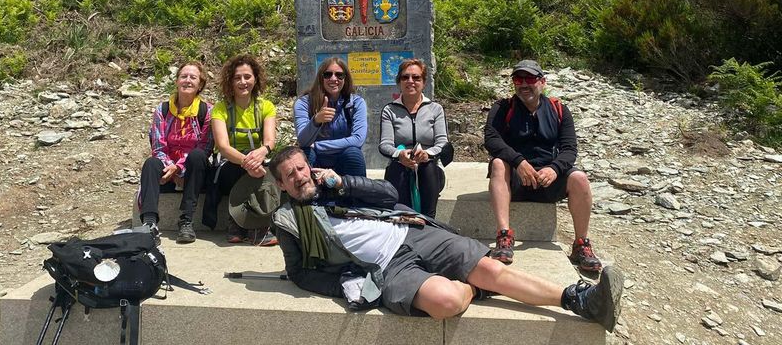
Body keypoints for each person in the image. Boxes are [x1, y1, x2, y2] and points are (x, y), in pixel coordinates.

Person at [267, 146, 623, 331]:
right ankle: (474, 286)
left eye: (301, 168)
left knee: (494, 269)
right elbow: (299, 273)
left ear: (308, 167)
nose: (298, 177)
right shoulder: (287, 220)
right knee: (447, 301)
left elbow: (389, 195)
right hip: (384, 269)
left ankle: (580, 299)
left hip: (411, 231)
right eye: (289, 175)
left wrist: (345, 183)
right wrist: (347, 283)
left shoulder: (338, 186)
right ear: (281, 184)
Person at [483, 59, 601, 271]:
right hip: (516, 181)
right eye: (519, 79)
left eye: (530, 79)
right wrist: (518, 162)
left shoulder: (559, 109)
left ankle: (581, 244)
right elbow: (491, 139)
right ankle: (504, 236)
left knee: (579, 178)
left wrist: (554, 169)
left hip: (548, 180)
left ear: (542, 82)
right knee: (499, 164)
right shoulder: (503, 108)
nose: (524, 84)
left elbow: (569, 149)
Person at [204, 54, 278, 246]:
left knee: (270, 169)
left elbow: (270, 141)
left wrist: (261, 152)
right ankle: (250, 226)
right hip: (230, 165)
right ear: (230, 81)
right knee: (249, 172)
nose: (243, 82)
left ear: (256, 79)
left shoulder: (266, 107)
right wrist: (248, 162)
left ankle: (245, 225)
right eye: (237, 78)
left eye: (247, 76)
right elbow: (223, 146)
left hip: (257, 161)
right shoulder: (220, 109)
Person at [138, 62, 213, 244]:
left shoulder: (207, 111)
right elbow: (158, 145)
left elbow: (206, 146)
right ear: (177, 81)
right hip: (167, 172)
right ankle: (149, 222)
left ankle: (186, 220)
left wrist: (180, 168)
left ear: (200, 85)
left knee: (197, 156)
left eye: (193, 77)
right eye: (184, 76)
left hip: (194, 172)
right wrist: (170, 168)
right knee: (150, 163)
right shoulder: (162, 110)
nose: (187, 80)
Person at [379, 59, 449, 218]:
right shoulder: (389, 110)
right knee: (398, 168)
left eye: (416, 78)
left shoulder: (435, 109)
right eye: (405, 77)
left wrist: (428, 154)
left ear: (424, 82)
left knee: (428, 166)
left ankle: (430, 220)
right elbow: (385, 145)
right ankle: (404, 219)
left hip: (429, 173)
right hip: (400, 169)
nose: (410, 81)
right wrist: (399, 155)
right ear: (399, 82)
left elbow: (442, 142)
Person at [293, 57, 367, 177]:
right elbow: (303, 141)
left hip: (343, 160)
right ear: (320, 78)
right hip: (316, 160)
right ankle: (310, 194)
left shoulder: (356, 103)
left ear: (345, 78)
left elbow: (358, 139)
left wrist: (318, 145)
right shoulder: (303, 103)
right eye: (328, 74)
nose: (333, 79)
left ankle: (356, 194)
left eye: (339, 75)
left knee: (354, 153)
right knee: (305, 154)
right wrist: (316, 121)